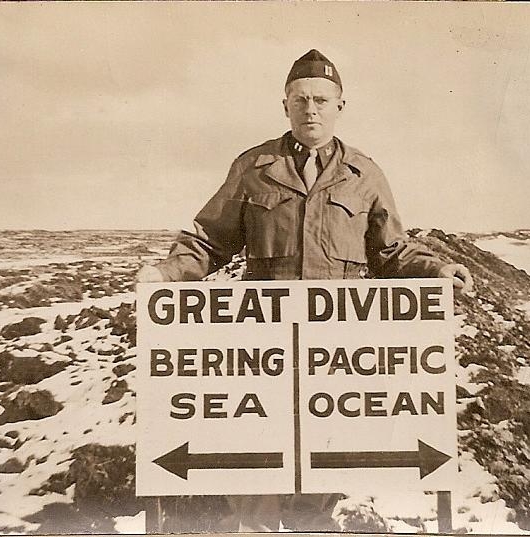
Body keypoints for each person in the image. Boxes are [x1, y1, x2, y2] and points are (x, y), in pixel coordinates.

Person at [138, 50, 472, 532]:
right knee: (257, 458)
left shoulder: (365, 175)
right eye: (300, 100)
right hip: (263, 346)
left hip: (334, 350)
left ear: (340, 106)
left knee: (322, 463)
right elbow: (210, 239)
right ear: (285, 106)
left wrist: (438, 269)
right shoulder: (253, 168)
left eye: (320, 99)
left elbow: (392, 252)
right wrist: (168, 274)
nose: (310, 109)